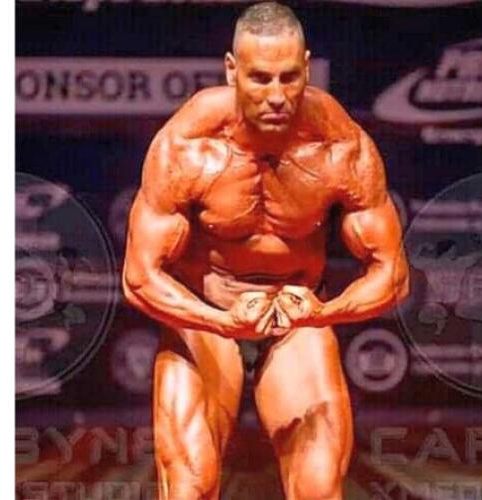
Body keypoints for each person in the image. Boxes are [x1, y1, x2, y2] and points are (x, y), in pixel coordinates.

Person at [122, 2, 409, 498]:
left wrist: (323, 312)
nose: (276, 95)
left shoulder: (341, 146)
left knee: (318, 488)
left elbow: (393, 275)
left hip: (295, 317)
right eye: (259, 78)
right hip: (206, 314)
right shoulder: (187, 146)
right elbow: (139, 278)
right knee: (190, 485)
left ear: (306, 67)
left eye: (288, 77)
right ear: (231, 70)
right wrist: (222, 321)